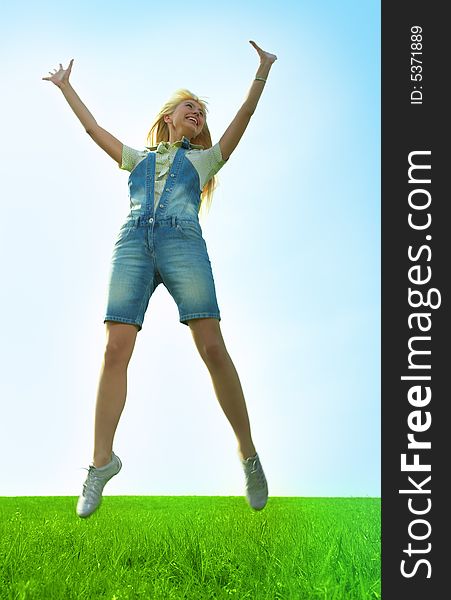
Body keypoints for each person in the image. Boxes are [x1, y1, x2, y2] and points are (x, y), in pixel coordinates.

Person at [42, 40, 277, 518]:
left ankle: (249, 456)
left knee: (212, 347)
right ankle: (100, 464)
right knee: (113, 349)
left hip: (183, 243)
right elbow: (92, 129)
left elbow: (244, 120)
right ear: (169, 116)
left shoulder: (204, 161)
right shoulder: (137, 158)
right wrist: (67, 87)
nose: (198, 113)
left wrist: (261, 73)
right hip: (132, 244)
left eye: (202, 112)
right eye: (190, 106)